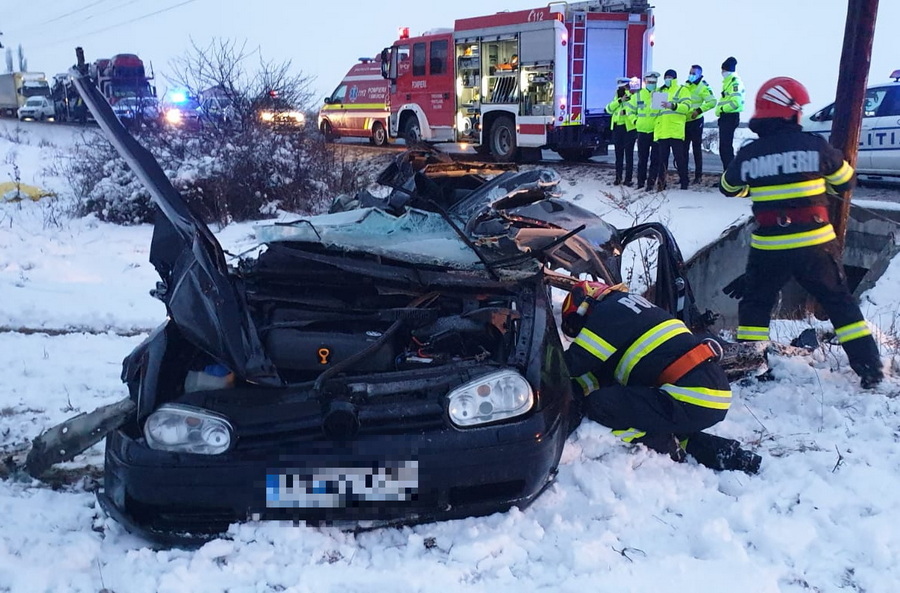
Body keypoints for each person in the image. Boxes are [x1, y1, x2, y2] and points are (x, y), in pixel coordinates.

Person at [719, 76, 883, 389]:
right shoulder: (815, 146)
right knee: (839, 303)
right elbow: (845, 181)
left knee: (756, 304)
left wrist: (761, 187)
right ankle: (870, 370)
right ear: (792, 112)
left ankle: (750, 369)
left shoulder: (751, 153)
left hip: (769, 246)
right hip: (815, 244)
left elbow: (730, 187)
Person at [562, 279, 762, 474]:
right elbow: (598, 374)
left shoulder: (608, 313)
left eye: (577, 325)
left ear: (585, 304)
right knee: (664, 421)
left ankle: (664, 445)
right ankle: (734, 456)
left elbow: (572, 364)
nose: (581, 332)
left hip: (692, 394)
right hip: (710, 394)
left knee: (600, 405)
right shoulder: (635, 308)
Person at [650, 69, 691, 191]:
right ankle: (661, 184)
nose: (667, 79)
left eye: (670, 77)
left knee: (680, 159)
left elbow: (686, 108)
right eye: (666, 77)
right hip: (663, 131)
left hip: (675, 131)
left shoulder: (682, 90)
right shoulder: (661, 91)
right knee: (662, 160)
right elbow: (655, 112)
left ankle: (684, 182)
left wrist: (672, 105)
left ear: (674, 78)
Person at [682, 65, 717, 183]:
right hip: (684, 121)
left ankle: (698, 176)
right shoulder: (685, 86)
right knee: (683, 150)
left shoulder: (703, 87)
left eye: (693, 73)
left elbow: (712, 101)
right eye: (690, 72)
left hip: (696, 121)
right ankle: (684, 175)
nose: (691, 75)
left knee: (696, 149)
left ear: (699, 74)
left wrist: (699, 111)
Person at [629, 71, 662, 190]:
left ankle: (650, 183)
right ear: (645, 81)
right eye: (649, 82)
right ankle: (640, 183)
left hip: (656, 132)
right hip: (642, 131)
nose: (651, 84)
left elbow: (661, 113)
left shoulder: (659, 95)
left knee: (655, 160)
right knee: (642, 159)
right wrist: (635, 121)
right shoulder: (638, 95)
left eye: (654, 82)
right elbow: (630, 111)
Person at [605, 77, 637, 186]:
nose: (620, 89)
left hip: (629, 129)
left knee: (629, 155)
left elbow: (631, 110)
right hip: (617, 128)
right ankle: (618, 178)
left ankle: (628, 179)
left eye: (622, 87)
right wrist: (619, 100)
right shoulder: (617, 97)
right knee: (618, 156)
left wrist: (625, 100)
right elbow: (608, 109)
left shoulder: (632, 97)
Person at [716, 57, 745, 169]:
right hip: (725, 118)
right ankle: (727, 173)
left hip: (730, 117)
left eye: (723, 70)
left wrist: (723, 109)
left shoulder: (734, 83)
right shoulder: (728, 83)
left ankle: (730, 174)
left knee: (726, 148)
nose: (722, 73)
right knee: (724, 148)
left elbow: (736, 103)